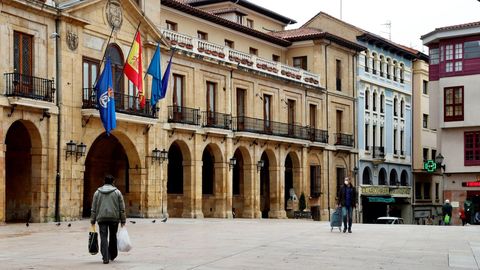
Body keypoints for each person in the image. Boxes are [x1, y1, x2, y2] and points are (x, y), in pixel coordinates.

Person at [91, 175, 126, 264]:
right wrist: (123, 220)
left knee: (103, 237)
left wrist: (93, 220)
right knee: (113, 236)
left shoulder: (97, 192)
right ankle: (112, 255)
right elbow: (122, 208)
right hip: (114, 218)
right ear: (113, 182)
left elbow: (94, 208)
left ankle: (105, 257)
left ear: (104, 181)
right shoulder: (117, 192)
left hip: (101, 218)